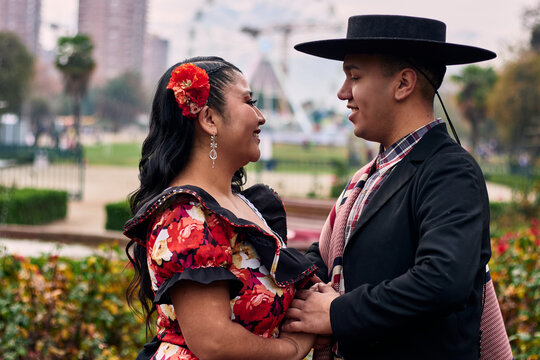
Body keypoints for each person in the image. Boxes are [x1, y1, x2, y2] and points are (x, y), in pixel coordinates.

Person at [282, 15, 505, 359]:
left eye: (354, 77)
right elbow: (334, 259)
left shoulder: (449, 170)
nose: (343, 93)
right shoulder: (369, 176)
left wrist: (336, 313)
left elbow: (443, 280)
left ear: (403, 84)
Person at [123, 56, 317, 360]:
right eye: (249, 102)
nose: (261, 117)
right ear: (209, 119)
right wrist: (289, 350)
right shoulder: (186, 215)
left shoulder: (247, 206)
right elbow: (214, 342)